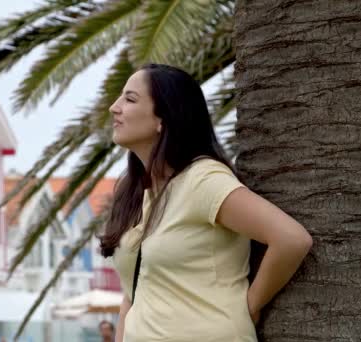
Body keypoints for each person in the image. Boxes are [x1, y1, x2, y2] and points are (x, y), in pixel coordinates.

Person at [99, 64, 313, 342]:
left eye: (130, 99)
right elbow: (133, 291)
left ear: (163, 118)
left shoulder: (203, 180)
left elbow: (291, 239)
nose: (114, 108)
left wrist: (248, 308)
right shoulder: (136, 192)